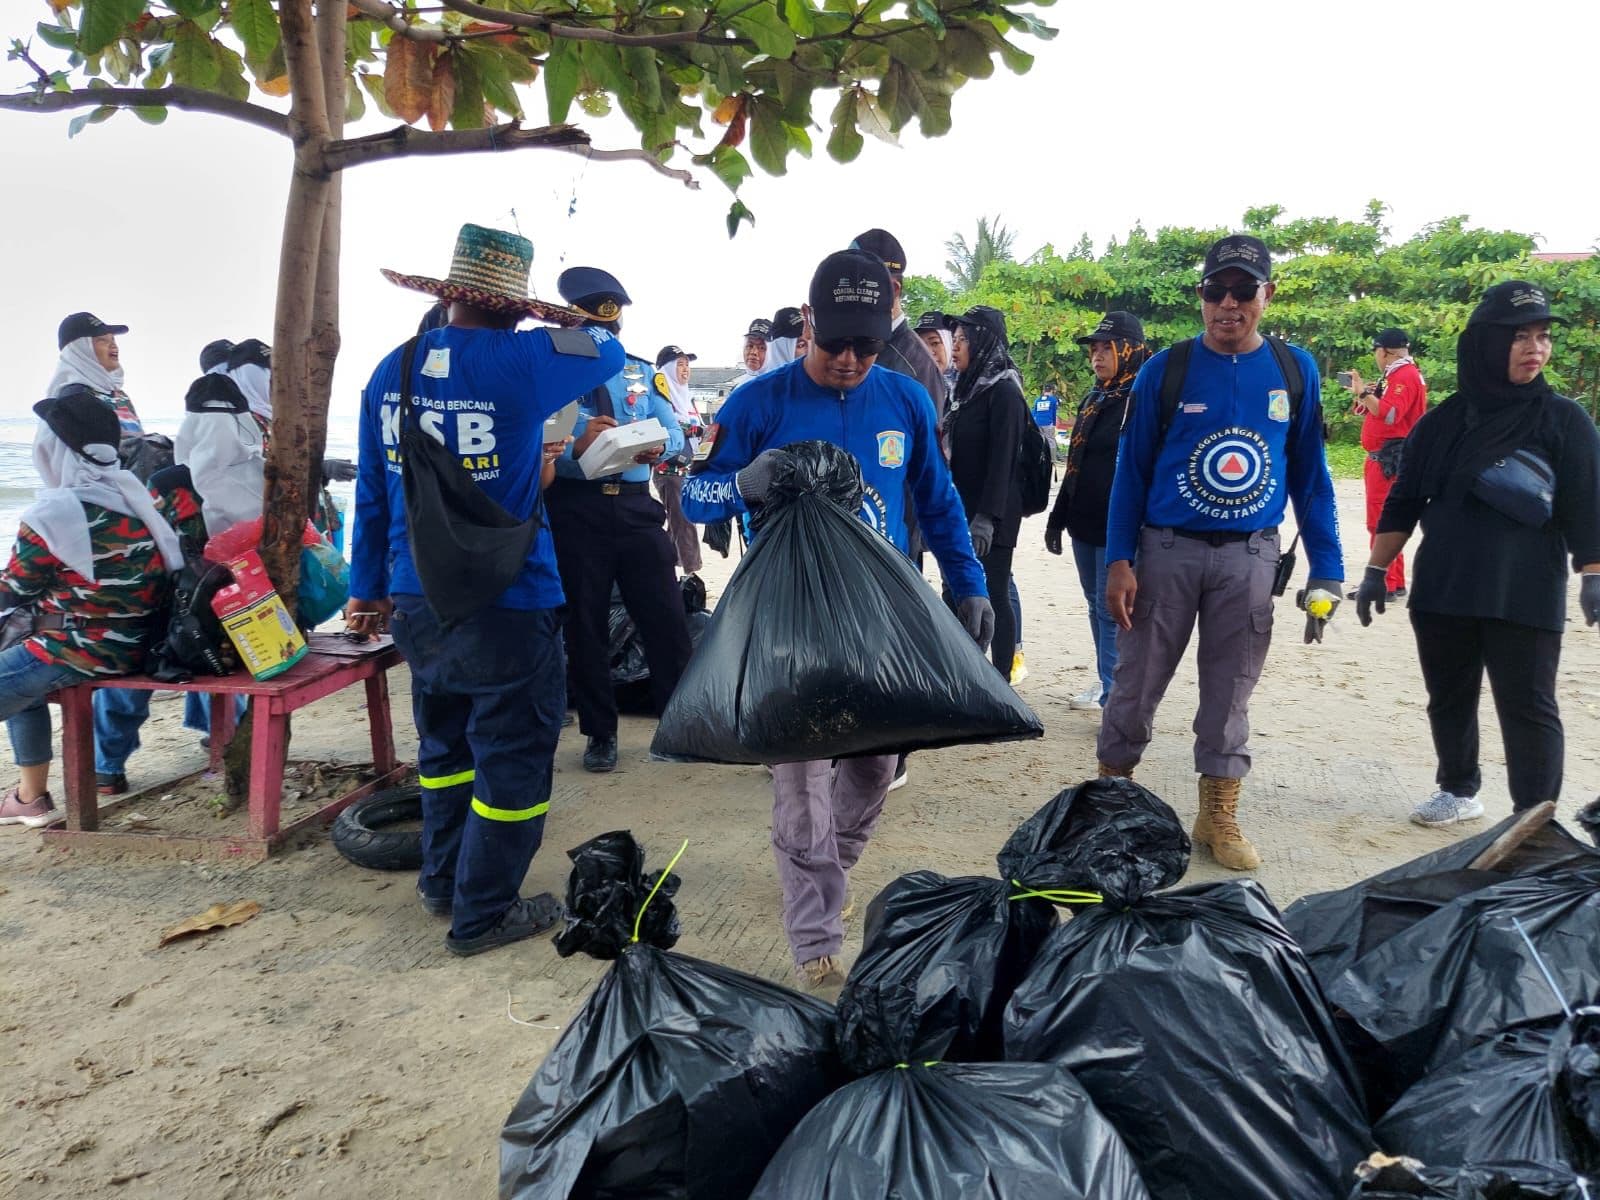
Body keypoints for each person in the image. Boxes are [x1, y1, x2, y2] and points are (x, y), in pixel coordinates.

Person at [680, 247, 993, 989]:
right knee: (800, 782)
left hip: (881, 616)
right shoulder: (759, 401)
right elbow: (694, 497)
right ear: (808, 323)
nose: (851, 359)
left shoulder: (906, 398)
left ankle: (829, 873)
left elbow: (939, 502)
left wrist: (968, 583)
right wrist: (739, 485)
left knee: (874, 768)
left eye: (868, 344)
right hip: (787, 621)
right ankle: (814, 928)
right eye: (836, 343)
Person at [352, 223, 624, 955]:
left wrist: (366, 587)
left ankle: (442, 883)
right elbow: (607, 345)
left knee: (444, 752)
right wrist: (550, 318)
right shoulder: (522, 358)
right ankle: (484, 913)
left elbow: (374, 493)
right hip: (508, 597)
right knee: (514, 758)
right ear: (514, 306)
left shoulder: (392, 367)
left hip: (417, 596)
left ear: (447, 295)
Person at [1099, 234, 1343, 871]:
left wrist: (1330, 568)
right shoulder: (1166, 369)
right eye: (1215, 290)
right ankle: (1111, 807)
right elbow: (1132, 470)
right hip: (1165, 552)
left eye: (1243, 290)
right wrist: (1119, 560)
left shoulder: (1296, 371)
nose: (1227, 304)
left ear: (1267, 294)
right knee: (1135, 686)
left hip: (1250, 558)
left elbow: (1312, 478)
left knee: (1230, 693)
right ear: (1201, 295)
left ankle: (1217, 813)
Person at [1357, 281, 1600, 828]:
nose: (1535, 347)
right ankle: (1458, 788)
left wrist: (1593, 573)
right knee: (1448, 695)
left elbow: (1587, 503)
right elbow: (1403, 502)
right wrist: (1375, 571)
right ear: (1485, 345)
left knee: (1529, 706)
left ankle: (1533, 817)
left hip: (1526, 589)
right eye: (1519, 337)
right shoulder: (1442, 423)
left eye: (1542, 337)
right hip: (1445, 586)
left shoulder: (1564, 421)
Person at [0, 390, 184, 827]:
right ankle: (30, 799)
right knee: (23, 693)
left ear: (54, 447)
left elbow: (15, 589)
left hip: (79, 649)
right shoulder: (136, 495)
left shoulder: (55, 510)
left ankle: (31, 798)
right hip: (141, 644)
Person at [547, 266, 693, 774]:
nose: (605, 337)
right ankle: (600, 733)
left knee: (667, 617)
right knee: (584, 626)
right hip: (575, 509)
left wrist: (655, 441)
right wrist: (581, 438)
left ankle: (680, 722)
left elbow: (678, 436)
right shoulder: (554, 376)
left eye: (611, 328)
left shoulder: (637, 372)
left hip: (635, 510)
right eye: (595, 328)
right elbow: (541, 444)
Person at [1045, 311, 1150, 710]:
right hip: (1084, 522)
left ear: (1130, 350)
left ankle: (1117, 696)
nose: (1097, 356)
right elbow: (1077, 465)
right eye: (1094, 349)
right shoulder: (1096, 398)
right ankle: (1111, 684)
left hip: (1119, 526)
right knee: (1096, 605)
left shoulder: (1141, 400)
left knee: (1115, 611)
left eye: (1107, 347)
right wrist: (1060, 517)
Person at [943, 306, 1028, 677]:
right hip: (961, 508)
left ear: (983, 342)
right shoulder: (964, 390)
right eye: (956, 338)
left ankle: (1002, 678)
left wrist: (986, 519)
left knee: (993, 593)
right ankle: (964, 674)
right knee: (954, 591)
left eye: (964, 339)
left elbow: (1004, 462)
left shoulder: (1005, 391)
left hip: (993, 515)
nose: (956, 346)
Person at [1341, 327, 1427, 599]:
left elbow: (1390, 415)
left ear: (1383, 351)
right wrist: (1363, 393)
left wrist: (1365, 394)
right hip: (1385, 457)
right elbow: (1379, 410)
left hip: (1388, 459)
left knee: (1380, 522)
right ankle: (1395, 580)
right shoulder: (1396, 375)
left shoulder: (1404, 376)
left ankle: (1385, 584)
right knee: (1387, 519)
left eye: (1376, 352)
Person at [652, 344, 704, 578]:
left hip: (689, 470)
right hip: (669, 470)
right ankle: (692, 573)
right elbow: (665, 426)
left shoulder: (687, 398)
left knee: (677, 523)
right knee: (684, 522)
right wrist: (695, 430)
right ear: (667, 369)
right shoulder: (660, 398)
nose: (685, 370)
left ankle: (664, 569)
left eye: (687, 365)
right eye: (680, 365)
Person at [48, 312, 142, 438]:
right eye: (102, 340)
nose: (114, 345)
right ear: (80, 350)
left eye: (113, 339)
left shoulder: (119, 396)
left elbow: (135, 442)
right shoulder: (74, 399)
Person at [914, 310, 957, 406]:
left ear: (950, 344)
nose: (928, 352)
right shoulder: (912, 385)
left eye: (935, 343)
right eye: (921, 345)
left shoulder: (970, 386)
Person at [763, 306, 805, 373]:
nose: (812, 350)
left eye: (814, 343)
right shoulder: (768, 382)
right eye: (801, 345)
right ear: (781, 351)